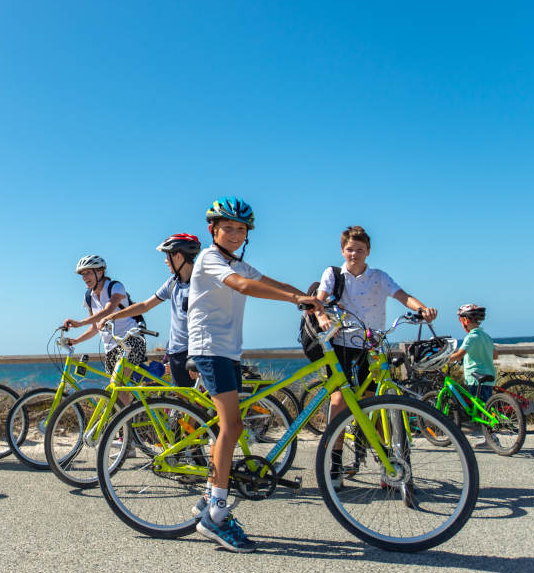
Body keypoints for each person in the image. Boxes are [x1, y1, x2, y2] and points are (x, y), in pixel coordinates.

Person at [187, 198, 322, 553]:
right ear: (212, 230)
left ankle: (207, 497)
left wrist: (307, 297)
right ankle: (215, 515)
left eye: (240, 229)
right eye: (227, 227)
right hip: (209, 348)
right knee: (231, 427)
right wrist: (294, 300)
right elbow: (244, 286)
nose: (234, 234)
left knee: (231, 425)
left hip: (228, 350)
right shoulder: (209, 258)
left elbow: (264, 279)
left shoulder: (239, 262)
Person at [313, 225, 438, 487]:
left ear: (368, 251)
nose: (354, 254)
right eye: (350, 249)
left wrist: (423, 309)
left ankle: (386, 463)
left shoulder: (379, 277)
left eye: (359, 250)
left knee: (375, 405)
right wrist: (322, 316)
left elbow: (403, 296)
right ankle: (334, 463)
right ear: (342, 250)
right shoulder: (333, 274)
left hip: (372, 347)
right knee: (339, 403)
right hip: (342, 345)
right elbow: (319, 301)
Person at [97, 234, 201, 389]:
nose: (166, 261)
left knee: (197, 403)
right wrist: (113, 316)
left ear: (178, 256)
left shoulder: (201, 284)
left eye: (167, 256)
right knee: (183, 399)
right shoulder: (173, 283)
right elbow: (145, 305)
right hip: (175, 351)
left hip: (192, 351)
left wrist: (197, 354)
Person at [62, 255, 148, 375]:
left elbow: (109, 310)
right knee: (118, 390)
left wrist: (80, 323)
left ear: (100, 271)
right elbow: (94, 328)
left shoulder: (115, 287)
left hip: (130, 342)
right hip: (110, 349)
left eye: (88, 272)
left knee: (118, 384)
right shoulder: (88, 297)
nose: (84, 277)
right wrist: (76, 341)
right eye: (82, 274)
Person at [447, 304, 497, 448]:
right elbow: (495, 355)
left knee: (482, 411)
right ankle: (490, 438)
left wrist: (446, 358)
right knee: (486, 407)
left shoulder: (471, 337)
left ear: (466, 321)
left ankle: (492, 438)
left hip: (475, 377)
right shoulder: (486, 337)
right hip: (489, 375)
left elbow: (459, 355)